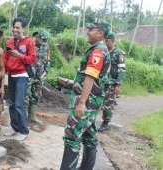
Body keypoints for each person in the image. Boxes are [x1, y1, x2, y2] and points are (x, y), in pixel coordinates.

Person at [60, 20, 111, 170]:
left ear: (101, 33)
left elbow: (90, 76)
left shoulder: (98, 51)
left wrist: (81, 102)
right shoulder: (99, 49)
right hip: (93, 101)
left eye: (91, 29)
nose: (87, 32)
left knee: (72, 136)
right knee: (88, 135)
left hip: (86, 102)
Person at [4, 17, 36, 141]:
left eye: (18, 27)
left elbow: (32, 59)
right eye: (14, 27)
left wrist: (20, 55)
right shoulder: (9, 42)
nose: (15, 29)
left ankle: (24, 131)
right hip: (11, 75)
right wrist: (5, 71)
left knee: (19, 104)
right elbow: (6, 58)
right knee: (11, 103)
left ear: (23, 28)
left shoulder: (28, 42)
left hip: (22, 75)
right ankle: (14, 127)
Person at [98, 31, 126, 132]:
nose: (105, 42)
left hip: (111, 83)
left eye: (107, 41)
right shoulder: (102, 51)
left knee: (108, 104)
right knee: (97, 101)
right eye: (104, 41)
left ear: (113, 41)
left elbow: (122, 70)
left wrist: (118, 84)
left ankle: (105, 123)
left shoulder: (119, 54)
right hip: (101, 82)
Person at [28, 29, 50, 123]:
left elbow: (48, 58)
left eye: (45, 40)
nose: (43, 42)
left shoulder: (46, 46)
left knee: (36, 95)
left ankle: (32, 117)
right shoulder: (28, 45)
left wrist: (46, 70)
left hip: (40, 74)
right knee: (25, 95)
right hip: (28, 74)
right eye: (41, 40)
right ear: (36, 37)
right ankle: (22, 117)